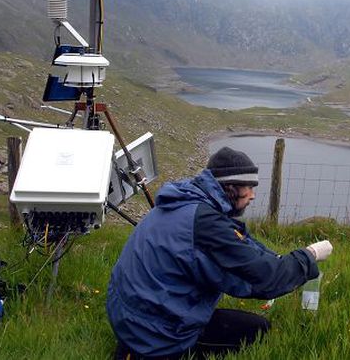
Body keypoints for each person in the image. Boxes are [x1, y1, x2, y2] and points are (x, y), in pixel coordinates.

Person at [107, 147, 333, 359]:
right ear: (230, 188)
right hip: (156, 333)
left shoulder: (186, 203)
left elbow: (240, 251)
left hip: (133, 315)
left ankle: (134, 346)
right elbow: (265, 279)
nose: (253, 195)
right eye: (249, 187)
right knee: (258, 329)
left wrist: (279, 261)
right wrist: (309, 255)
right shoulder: (206, 225)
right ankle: (152, 352)